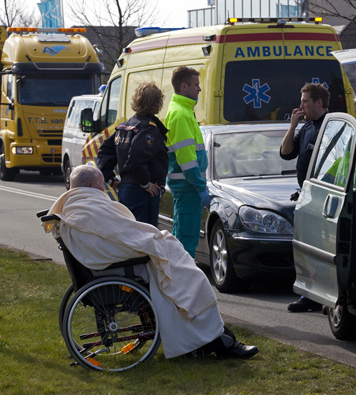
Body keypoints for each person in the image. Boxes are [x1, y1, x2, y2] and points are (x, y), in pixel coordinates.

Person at [44, 165, 259, 360]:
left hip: (107, 267)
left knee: (179, 272)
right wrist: (153, 241)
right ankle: (221, 341)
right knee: (190, 279)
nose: (104, 191)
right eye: (101, 186)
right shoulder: (88, 206)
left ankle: (211, 340)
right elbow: (124, 234)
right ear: (90, 186)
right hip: (123, 269)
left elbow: (118, 234)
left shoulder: (74, 207)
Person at [280, 83, 329, 313]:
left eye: (305, 101)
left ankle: (326, 295)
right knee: (305, 248)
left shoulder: (331, 125)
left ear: (319, 102)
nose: (300, 106)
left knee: (324, 249)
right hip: (307, 196)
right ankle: (308, 295)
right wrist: (293, 126)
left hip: (326, 197)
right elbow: (286, 152)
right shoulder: (307, 126)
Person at [97, 82, 168, 227]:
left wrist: (111, 180)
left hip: (126, 189)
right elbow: (137, 157)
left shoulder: (125, 127)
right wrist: (145, 183)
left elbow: (103, 152)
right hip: (142, 193)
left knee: (128, 233)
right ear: (157, 103)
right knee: (144, 236)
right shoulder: (147, 129)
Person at [164, 66, 209, 258]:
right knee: (186, 242)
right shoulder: (181, 114)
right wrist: (200, 186)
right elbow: (188, 160)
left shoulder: (183, 111)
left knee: (182, 236)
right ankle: (183, 285)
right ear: (184, 86)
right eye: (196, 85)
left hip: (186, 186)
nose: (199, 89)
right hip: (188, 186)